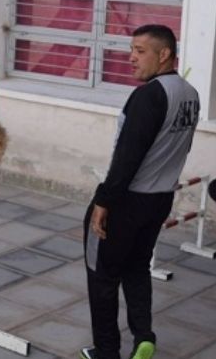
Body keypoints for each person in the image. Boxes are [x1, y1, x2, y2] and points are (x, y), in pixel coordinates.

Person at [81, 24, 200, 359]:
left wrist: (104, 200)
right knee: (136, 267)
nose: (131, 58)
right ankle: (144, 337)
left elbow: (128, 156)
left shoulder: (149, 96)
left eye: (140, 51)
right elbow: (184, 147)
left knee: (101, 275)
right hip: (160, 198)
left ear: (164, 55)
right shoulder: (190, 93)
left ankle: (106, 352)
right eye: (131, 50)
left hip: (127, 200)